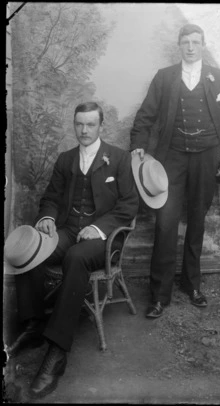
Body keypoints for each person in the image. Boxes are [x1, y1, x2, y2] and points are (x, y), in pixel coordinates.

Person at [5, 101, 139, 398]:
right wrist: (48, 218)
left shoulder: (118, 159)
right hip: (67, 229)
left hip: (102, 237)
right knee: (32, 252)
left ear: (101, 126)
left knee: (77, 258)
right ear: (74, 124)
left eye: (91, 124)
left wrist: (99, 227)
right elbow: (50, 196)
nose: (84, 130)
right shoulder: (66, 159)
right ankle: (34, 324)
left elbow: (129, 205)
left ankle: (57, 352)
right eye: (79, 124)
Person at [130, 24, 220, 319]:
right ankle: (159, 294)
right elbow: (145, 115)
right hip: (172, 158)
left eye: (196, 42)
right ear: (179, 45)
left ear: (203, 45)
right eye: (185, 42)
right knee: (165, 223)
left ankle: (192, 284)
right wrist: (139, 144)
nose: (191, 47)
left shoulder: (219, 78)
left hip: (207, 158)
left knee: (197, 220)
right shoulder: (165, 77)